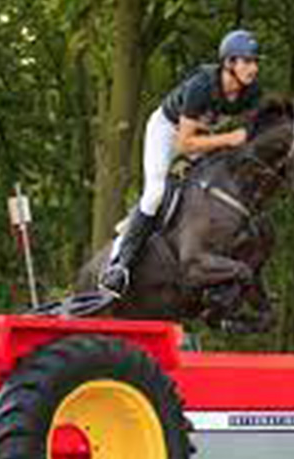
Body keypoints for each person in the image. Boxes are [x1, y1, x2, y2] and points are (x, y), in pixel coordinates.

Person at [100, 29, 262, 295]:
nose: (253, 68)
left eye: (255, 61)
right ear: (229, 63)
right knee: (155, 193)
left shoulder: (251, 92)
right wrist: (230, 138)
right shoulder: (202, 86)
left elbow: (250, 131)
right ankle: (119, 265)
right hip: (167, 131)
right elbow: (183, 144)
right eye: (246, 61)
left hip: (202, 136)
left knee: (219, 182)